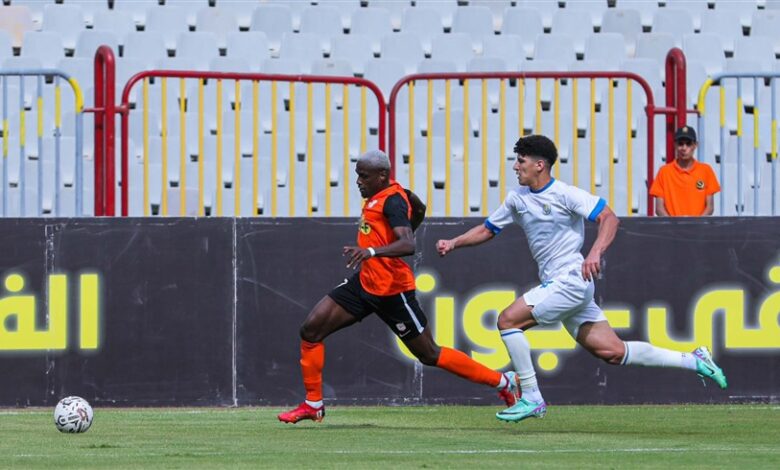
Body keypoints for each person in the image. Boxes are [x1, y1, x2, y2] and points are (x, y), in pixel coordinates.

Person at [436, 135, 728, 424]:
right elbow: (488, 229)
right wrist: (454, 242)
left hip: (572, 279)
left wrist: (595, 252)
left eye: (521, 161)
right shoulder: (517, 199)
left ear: (540, 165)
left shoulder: (565, 194)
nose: (515, 167)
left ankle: (531, 396)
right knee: (612, 352)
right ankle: (694, 360)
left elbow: (610, 218)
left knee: (507, 321)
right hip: (563, 284)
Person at [278, 149, 521, 424]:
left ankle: (503, 381)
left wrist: (370, 252)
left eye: (364, 176)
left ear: (382, 175)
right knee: (311, 329)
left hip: (393, 290)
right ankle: (313, 404)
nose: (358, 181)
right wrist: (378, 249)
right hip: (365, 283)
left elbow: (408, 244)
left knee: (429, 353)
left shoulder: (392, 201)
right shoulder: (389, 195)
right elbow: (418, 207)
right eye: (357, 175)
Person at [650, 126, 720, 216]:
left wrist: (696, 225)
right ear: (675, 145)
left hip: (698, 228)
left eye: (688, 144)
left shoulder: (706, 170)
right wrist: (674, 226)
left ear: (695, 145)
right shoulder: (664, 172)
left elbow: (710, 207)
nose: (684, 148)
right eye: (680, 144)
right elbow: (659, 208)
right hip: (672, 228)